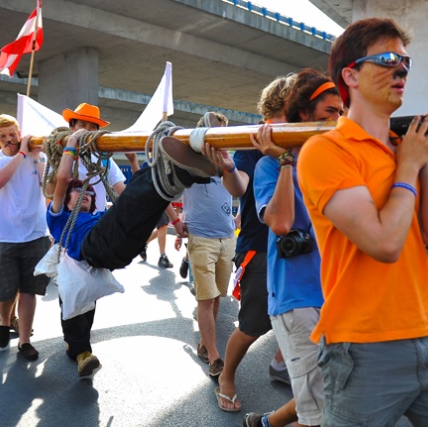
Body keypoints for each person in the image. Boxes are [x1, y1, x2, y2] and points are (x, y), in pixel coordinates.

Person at [297, 18, 428, 425]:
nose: (400, 70)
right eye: (385, 60)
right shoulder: (326, 150)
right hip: (362, 346)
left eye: (404, 61)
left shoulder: (407, 148)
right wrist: (409, 167)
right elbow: (383, 243)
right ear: (351, 75)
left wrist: (424, 158)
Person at [47, 122, 216, 377]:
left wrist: (134, 161)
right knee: (74, 312)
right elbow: (61, 178)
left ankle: (177, 174)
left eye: (90, 193)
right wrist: (71, 146)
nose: (86, 194)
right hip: (93, 248)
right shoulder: (59, 217)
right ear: (65, 196)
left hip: (116, 253)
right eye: (77, 191)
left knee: (141, 212)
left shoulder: (97, 216)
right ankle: (81, 352)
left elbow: (128, 198)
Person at [244, 69, 339, 427]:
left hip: (338, 298)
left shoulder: (328, 161)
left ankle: (267, 423)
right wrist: (284, 159)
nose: (335, 119)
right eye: (328, 111)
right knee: (321, 415)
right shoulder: (270, 165)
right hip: (297, 299)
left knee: (331, 399)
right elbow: (281, 223)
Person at [209, 74, 296, 414]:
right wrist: (229, 168)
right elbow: (239, 186)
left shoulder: (307, 136)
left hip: (304, 245)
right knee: (253, 324)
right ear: (280, 104)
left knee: (305, 312)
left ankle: (280, 360)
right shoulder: (253, 140)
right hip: (260, 246)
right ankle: (226, 377)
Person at [0, 114, 50, 360]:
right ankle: (4, 320)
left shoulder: (37, 157)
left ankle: (24, 341)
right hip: (4, 235)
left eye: (13, 134)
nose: (9, 140)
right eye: (3, 137)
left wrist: (37, 157)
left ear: (19, 132)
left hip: (35, 233)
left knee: (30, 289)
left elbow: (50, 187)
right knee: (5, 291)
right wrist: (20, 154)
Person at [182, 112, 236, 379]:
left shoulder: (229, 160)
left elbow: (239, 188)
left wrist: (238, 218)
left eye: (223, 131)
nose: (221, 136)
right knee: (205, 297)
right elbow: (163, 189)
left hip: (227, 236)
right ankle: (214, 355)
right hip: (201, 237)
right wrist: (174, 220)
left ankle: (205, 343)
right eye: (215, 130)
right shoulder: (189, 161)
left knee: (216, 296)